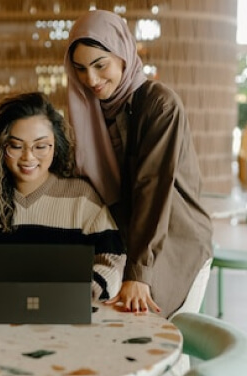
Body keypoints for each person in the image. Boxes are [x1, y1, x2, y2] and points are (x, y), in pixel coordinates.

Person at [65, 10, 212, 317]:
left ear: (123, 55)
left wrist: (139, 272)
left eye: (99, 65)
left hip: (172, 239)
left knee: (153, 333)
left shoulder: (160, 105)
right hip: (124, 239)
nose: (90, 79)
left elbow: (152, 189)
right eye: (79, 68)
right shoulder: (88, 112)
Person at [0, 92, 126, 302]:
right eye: (16, 146)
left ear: (56, 145)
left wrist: (87, 289)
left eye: (41, 146)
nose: (28, 157)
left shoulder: (81, 197)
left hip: (66, 315)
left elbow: (112, 259)